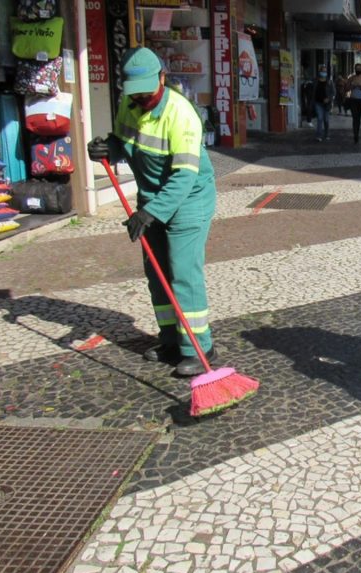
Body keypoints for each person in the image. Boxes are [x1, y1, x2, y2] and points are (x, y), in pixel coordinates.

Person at [86, 47, 217, 377]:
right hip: (151, 200)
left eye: (147, 90)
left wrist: (151, 213)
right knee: (157, 274)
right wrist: (107, 148)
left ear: (162, 77)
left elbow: (184, 176)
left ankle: (199, 347)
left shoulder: (182, 114)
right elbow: (123, 140)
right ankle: (171, 340)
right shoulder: (129, 107)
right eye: (135, 92)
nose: (142, 98)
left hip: (188, 200)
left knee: (183, 273)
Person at [346, 63, 361, 144]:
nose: (358, 70)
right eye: (357, 69)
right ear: (354, 69)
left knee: (358, 118)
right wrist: (352, 86)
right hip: (353, 100)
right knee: (354, 117)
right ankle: (355, 134)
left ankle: (357, 132)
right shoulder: (351, 78)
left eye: (359, 69)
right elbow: (346, 88)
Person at [312, 67, 335, 142]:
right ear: (319, 72)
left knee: (326, 120)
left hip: (327, 104)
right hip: (318, 103)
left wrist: (329, 98)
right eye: (322, 71)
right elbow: (313, 92)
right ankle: (318, 136)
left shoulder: (329, 82)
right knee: (320, 118)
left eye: (325, 71)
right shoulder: (315, 81)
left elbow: (333, 92)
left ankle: (327, 134)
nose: (324, 73)